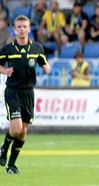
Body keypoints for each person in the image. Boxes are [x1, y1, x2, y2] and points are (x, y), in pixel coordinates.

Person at [0, 15, 51, 174]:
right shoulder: (8, 49)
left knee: (22, 132)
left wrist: (46, 67)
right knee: (16, 128)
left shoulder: (37, 48)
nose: (22, 29)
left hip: (28, 93)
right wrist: (4, 70)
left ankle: (12, 165)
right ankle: (4, 149)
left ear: (29, 29)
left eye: (24, 26)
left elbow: (44, 62)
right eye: (19, 27)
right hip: (13, 91)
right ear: (14, 30)